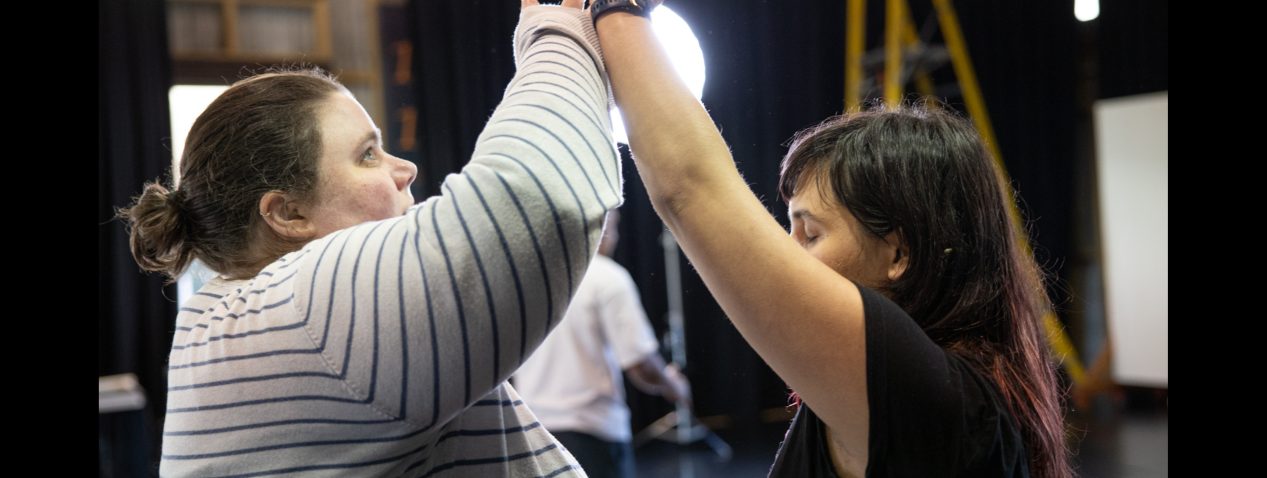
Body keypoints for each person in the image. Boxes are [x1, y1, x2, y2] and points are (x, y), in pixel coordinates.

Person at [118, 1, 621, 475]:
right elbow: (543, 196)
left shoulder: (232, 315)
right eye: (367, 154)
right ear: (288, 214)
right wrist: (558, 31)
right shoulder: (306, 307)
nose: (406, 168)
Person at [589, 3, 1071, 476]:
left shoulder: (931, 400)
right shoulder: (902, 397)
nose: (785, 250)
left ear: (899, 253)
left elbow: (689, 187)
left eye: (811, 233)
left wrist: (612, 10)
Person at [514, 209, 691, 478]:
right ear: (603, 228)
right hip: (592, 435)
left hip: (533, 433)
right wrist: (673, 386)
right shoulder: (607, 277)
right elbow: (641, 364)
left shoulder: (527, 279)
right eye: (615, 228)